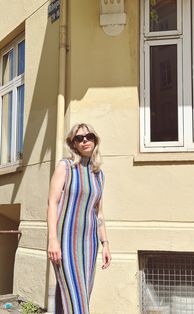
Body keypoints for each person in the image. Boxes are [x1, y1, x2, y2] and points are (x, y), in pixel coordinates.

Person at [47, 123, 111, 314]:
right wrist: (53, 241)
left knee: (77, 293)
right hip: (65, 241)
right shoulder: (65, 166)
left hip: (89, 244)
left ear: (95, 140)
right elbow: (52, 203)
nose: (85, 140)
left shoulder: (99, 175)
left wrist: (105, 243)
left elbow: (98, 213)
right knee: (78, 301)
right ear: (73, 144)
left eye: (89, 136)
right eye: (79, 138)